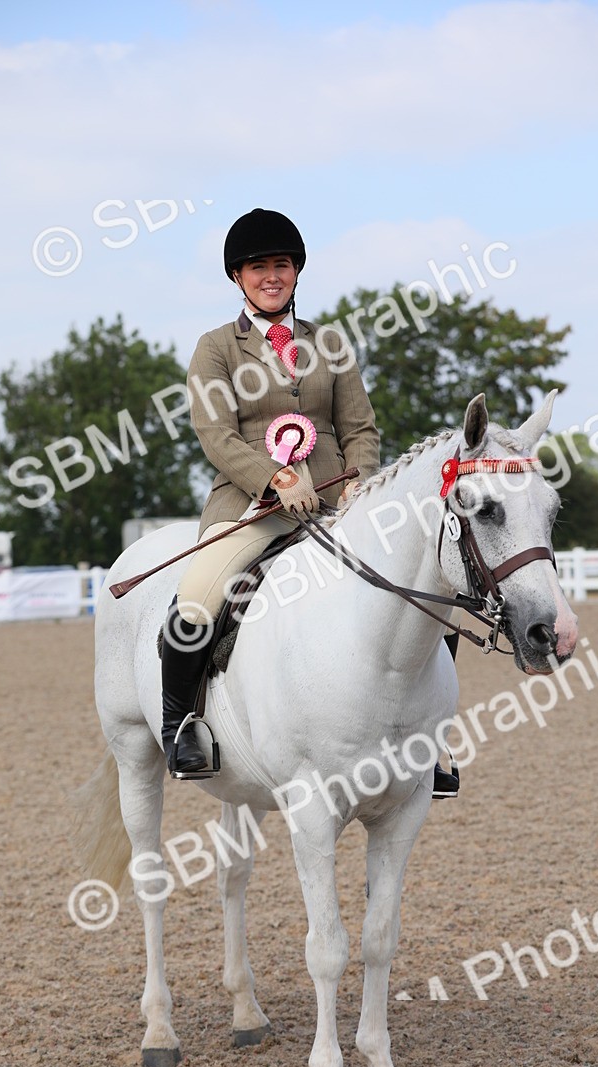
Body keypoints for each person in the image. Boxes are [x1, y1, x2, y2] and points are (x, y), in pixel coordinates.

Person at [161, 207, 460, 798]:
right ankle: (183, 725)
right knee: (195, 598)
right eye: (257, 267)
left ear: (296, 271)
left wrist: (360, 482)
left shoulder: (330, 343)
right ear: (238, 276)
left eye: (281, 264)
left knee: (432, 589)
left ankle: (430, 738)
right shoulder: (216, 348)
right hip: (252, 506)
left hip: (338, 501)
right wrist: (274, 477)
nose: (270, 276)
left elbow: (360, 427)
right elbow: (215, 434)